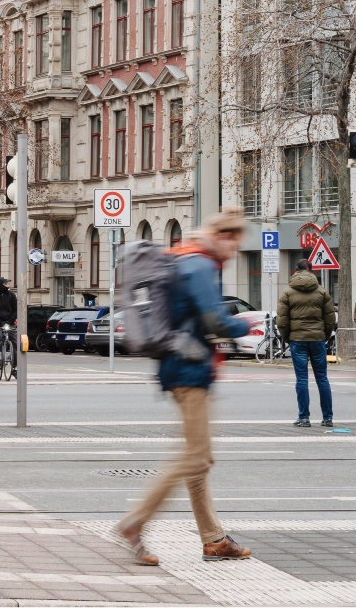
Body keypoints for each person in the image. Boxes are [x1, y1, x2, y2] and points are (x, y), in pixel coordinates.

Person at [115, 207, 256, 566]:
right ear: (224, 237)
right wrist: (245, 327)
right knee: (195, 456)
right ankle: (135, 522)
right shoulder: (199, 264)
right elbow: (214, 319)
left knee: (200, 457)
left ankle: (214, 539)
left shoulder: (187, 259)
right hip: (189, 369)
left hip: (183, 366)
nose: (235, 251)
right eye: (236, 243)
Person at [278, 257, 336, 428]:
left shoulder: (287, 292)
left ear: (296, 270)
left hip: (298, 340)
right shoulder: (322, 292)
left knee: (302, 379)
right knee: (322, 378)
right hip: (317, 339)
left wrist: (288, 337)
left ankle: (304, 418)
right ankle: (327, 418)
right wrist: (324, 335)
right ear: (312, 270)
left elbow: (282, 320)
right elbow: (330, 318)